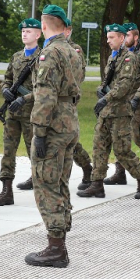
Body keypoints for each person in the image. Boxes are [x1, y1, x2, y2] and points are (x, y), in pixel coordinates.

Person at [24, 5, 83, 268]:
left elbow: (45, 95)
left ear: (44, 26)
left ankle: (56, 247)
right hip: (69, 120)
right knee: (60, 181)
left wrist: (39, 132)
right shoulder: (73, 51)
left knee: (46, 183)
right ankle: (60, 237)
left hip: (53, 125)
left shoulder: (49, 53)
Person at [77, 24, 140, 199]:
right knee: (99, 147)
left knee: (122, 150)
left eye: (112, 37)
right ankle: (97, 184)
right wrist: (101, 89)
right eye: (107, 37)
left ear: (122, 38)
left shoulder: (129, 59)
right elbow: (108, 80)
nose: (108, 40)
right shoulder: (113, 58)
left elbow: (124, 85)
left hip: (120, 111)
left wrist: (106, 98)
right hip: (107, 111)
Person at [103, 23, 140, 185]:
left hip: (138, 102)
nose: (125, 38)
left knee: (138, 137)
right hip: (121, 102)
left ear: (136, 37)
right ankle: (120, 172)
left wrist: (137, 97)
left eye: (128, 35)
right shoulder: (119, 55)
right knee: (119, 135)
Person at [0, 18, 41, 206]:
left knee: (34, 152)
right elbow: (8, 78)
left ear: (38, 34)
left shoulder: (43, 57)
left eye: (28, 31)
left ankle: (41, 186)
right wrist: (5, 89)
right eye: (23, 31)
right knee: (8, 152)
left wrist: (24, 98)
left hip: (31, 113)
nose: (24, 34)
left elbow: (43, 89)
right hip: (12, 113)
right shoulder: (17, 56)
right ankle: (6, 191)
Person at [64, 19, 94, 191]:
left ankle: (86, 166)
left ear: (69, 31)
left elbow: (79, 75)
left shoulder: (75, 50)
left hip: (67, 99)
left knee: (69, 138)